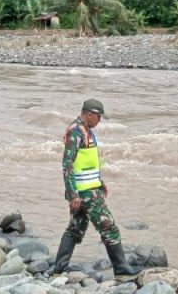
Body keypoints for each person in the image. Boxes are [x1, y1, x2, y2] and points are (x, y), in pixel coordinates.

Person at [50, 99, 140, 278]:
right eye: (98, 117)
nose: (99, 121)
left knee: (75, 228)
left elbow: (86, 163)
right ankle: (121, 267)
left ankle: (59, 269)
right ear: (89, 114)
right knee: (109, 228)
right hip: (86, 193)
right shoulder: (76, 132)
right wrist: (73, 194)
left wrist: (100, 182)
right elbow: (67, 165)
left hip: (90, 189)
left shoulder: (86, 131)